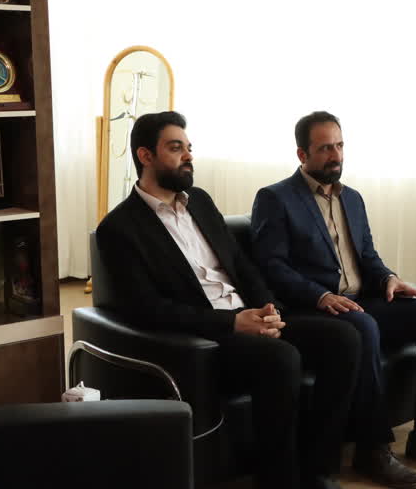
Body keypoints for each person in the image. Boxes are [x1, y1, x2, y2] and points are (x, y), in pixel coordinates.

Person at [95, 111, 360, 489]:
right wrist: (233, 323)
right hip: (208, 336)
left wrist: (269, 308)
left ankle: (317, 467)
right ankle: (278, 481)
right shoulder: (119, 228)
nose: (188, 156)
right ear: (145, 156)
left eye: (189, 148)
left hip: (249, 316)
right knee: (282, 358)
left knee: (344, 338)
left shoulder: (200, 202)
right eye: (176, 148)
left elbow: (241, 265)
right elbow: (148, 309)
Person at [251, 110, 416, 489]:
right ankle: (372, 448)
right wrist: (320, 295)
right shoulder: (276, 198)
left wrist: (390, 279)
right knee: (363, 326)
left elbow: (368, 257)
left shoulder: (352, 198)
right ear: (302, 154)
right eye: (325, 148)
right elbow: (271, 266)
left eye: (339, 146)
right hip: (311, 309)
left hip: (359, 299)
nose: (336, 155)